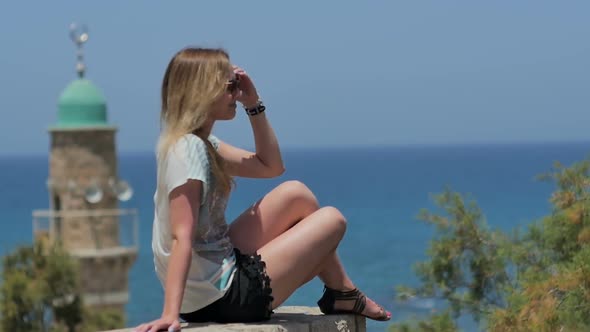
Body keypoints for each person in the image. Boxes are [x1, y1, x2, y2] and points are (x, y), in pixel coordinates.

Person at [134, 47, 391, 332]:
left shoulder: (199, 144)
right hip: (224, 298)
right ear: (202, 91)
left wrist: (253, 104)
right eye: (229, 86)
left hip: (210, 283)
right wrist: (170, 314)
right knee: (332, 220)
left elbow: (271, 166)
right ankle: (344, 293)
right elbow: (181, 236)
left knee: (296, 194)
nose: (236, 92)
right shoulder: (189, 149)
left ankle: (342, 292)